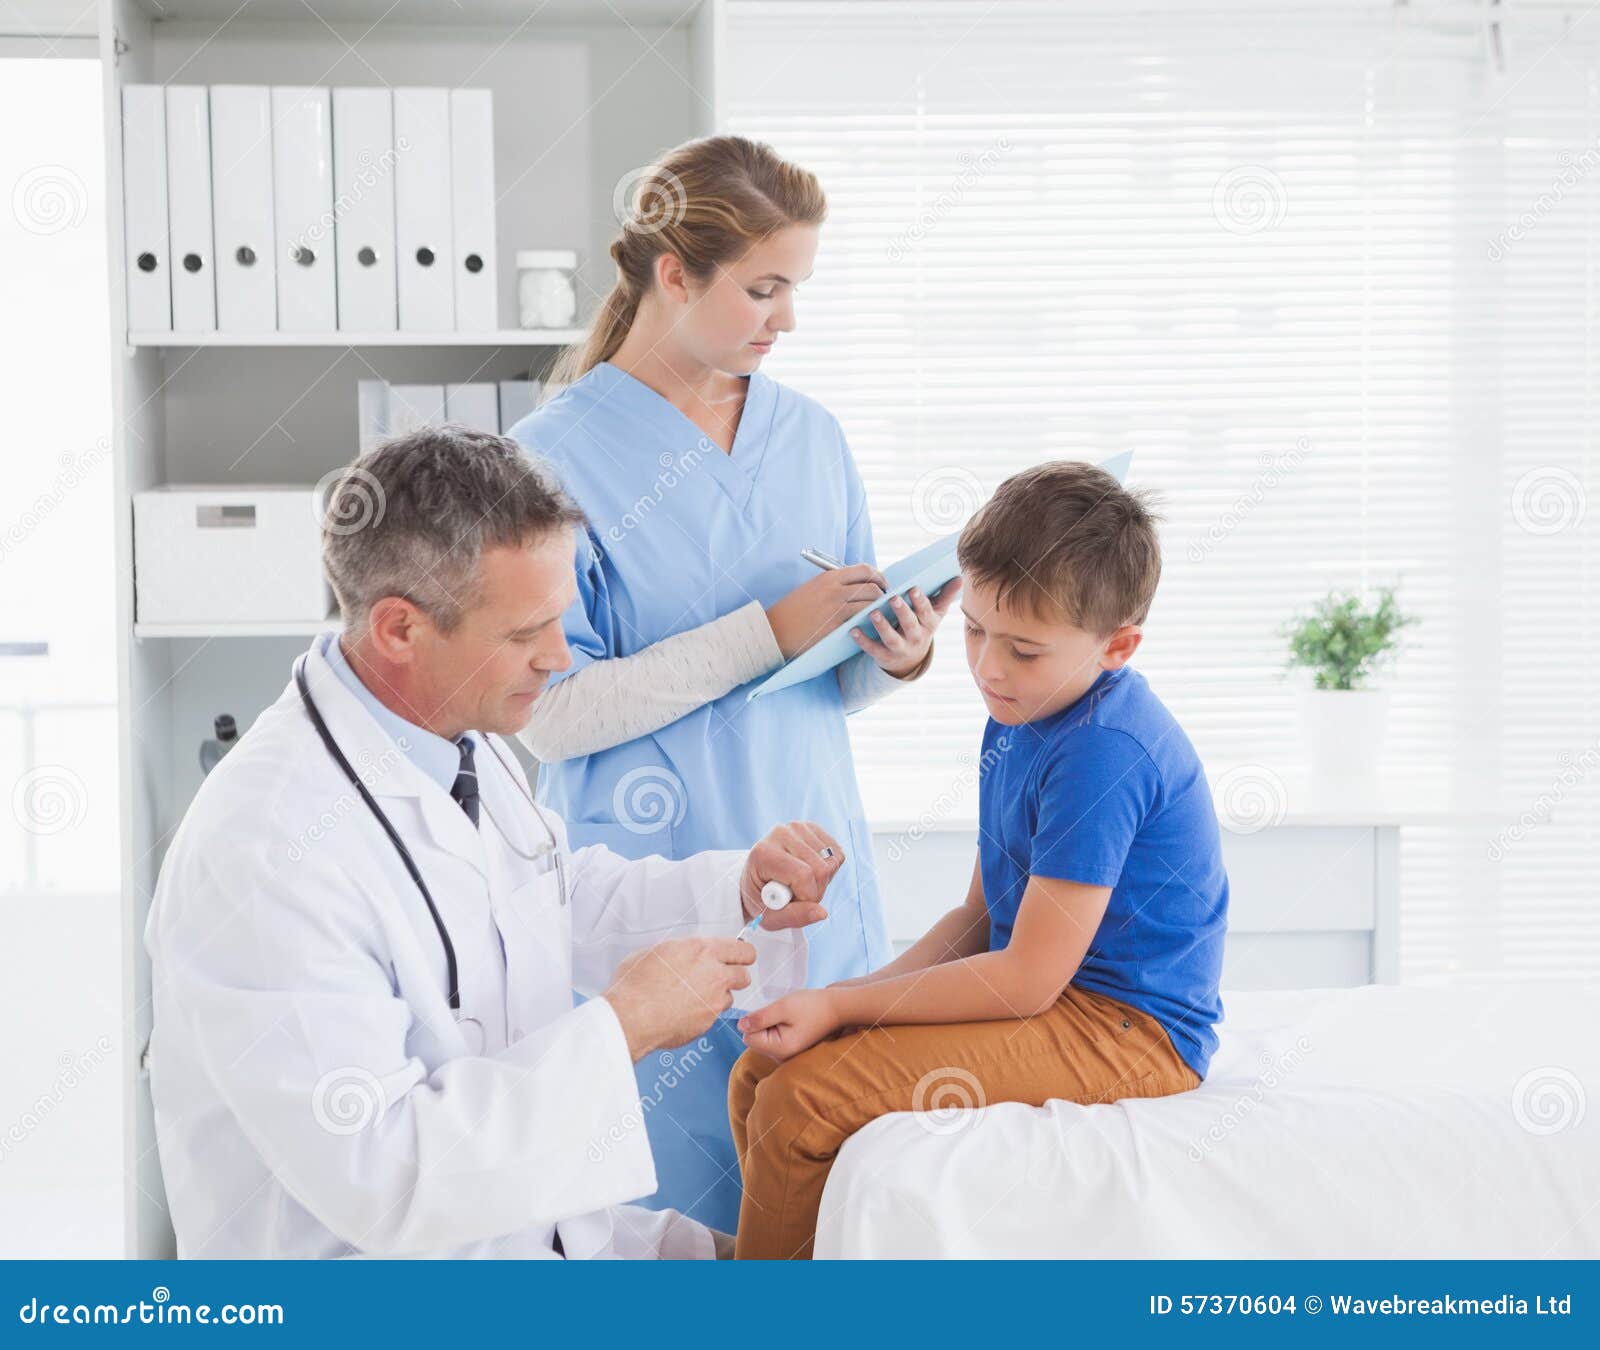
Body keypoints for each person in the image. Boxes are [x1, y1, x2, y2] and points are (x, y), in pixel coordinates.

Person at [143, 428, 844, 1259]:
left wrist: (732, 893)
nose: (557, 657)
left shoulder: (454, 735)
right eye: (524, 633)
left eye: (561, 620)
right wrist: (624, 1028)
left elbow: (539, 903)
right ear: (401, 629)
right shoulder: (267, 849)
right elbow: (386, 1175)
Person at [508, 134, 958, 1229]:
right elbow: (553, 717)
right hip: (648, 901)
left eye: (794, 288)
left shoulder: (811, 438)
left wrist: (896, 656)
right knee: (668, 1229)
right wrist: (763, 629)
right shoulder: (545, 460)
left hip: (813, 874)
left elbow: (820, 682)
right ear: (674, 274)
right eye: (763, 288)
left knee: (828, 1213)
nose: (784, 318)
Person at [727, 461, 1229, 1259]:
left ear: (1118, 647)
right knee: (760, 1076)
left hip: (1131, 1031)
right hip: (1061, 997)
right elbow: (978, 918)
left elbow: (1028, 977)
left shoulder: (1101, 750)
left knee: (801, 1101)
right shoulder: (1024, 707)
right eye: (975, 631)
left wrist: (845, 1011)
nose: (988, 667)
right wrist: (838, 997)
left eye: (1024, 649)